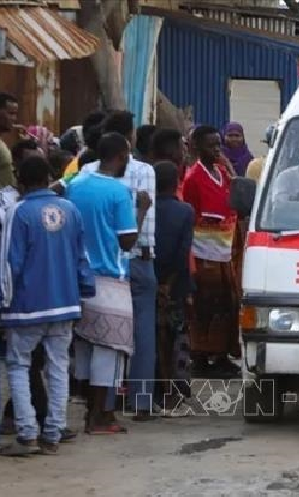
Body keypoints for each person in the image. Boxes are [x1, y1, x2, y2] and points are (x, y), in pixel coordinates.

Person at [0, 155, 94, 456]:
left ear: (20, 181)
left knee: (18, 365)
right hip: (65, 302)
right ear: (48, 178)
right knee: (58, 368)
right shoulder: (70, 210)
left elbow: (8, 265)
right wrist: (83, 291)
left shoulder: (18, 212)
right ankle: (53, 434)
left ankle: (27, 433)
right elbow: (83, 257)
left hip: (27, 305)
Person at [83, 111, 157, 420]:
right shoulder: (144, 171)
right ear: (129, 141)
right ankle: (139, 403)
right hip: (134, 260)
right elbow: (141, 228)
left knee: (100, 337)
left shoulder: (85, 172)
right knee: (141, 334)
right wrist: (139, 210)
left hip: (93, 265)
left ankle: (103, 403)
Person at [67, 133, 138, 434]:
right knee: (110, 347)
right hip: (109, 276)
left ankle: (88, 411)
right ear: (121, 156)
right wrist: (142, 210)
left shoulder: (75, 184)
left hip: (77, 274)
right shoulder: (118, 192)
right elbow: (127, 239)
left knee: (84, 344)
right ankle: (101, 414)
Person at [181, 126, 241, 377]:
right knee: (207, 305)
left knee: (227, 304)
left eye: (218, 145)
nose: (217, 150)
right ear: (196, 148)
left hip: (224, 250)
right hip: (205, 253)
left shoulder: (220, 172)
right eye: (211, 146)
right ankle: (202, 356)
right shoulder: (194, 177)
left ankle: (221, 353)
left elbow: (236, 197)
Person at [153, 161, 195, 417]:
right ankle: (175, 394)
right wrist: (169, 285)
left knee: (156, 339)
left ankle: (157, 392)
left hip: (151, 281)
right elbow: (183, 253)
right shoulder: (185, 211)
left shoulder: (144, 208)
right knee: (177, 339)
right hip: (176, 284)